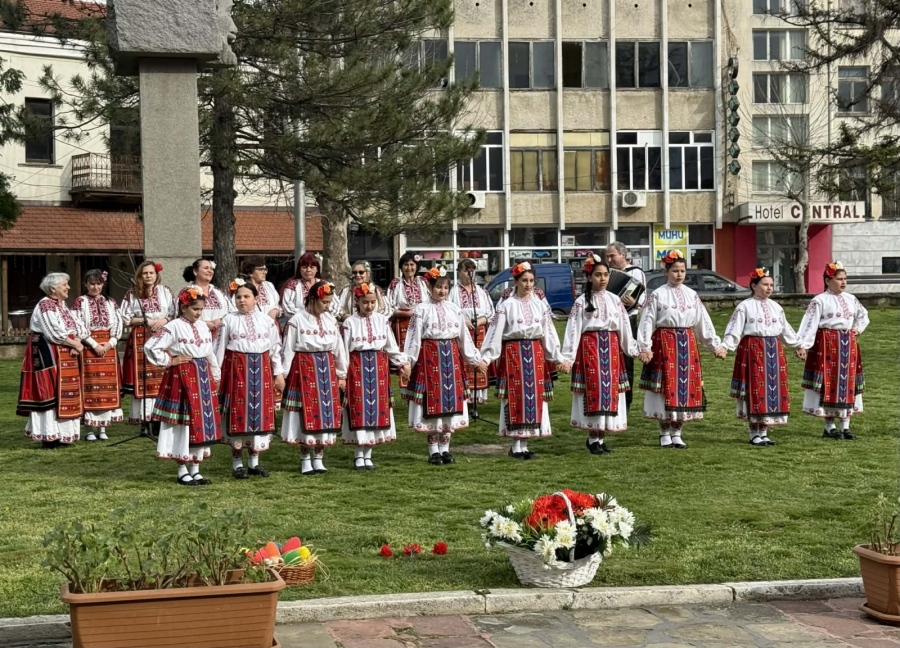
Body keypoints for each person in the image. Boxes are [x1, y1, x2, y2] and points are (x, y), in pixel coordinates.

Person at [638, 250, 726, 449]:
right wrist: (644, 346)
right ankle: (664, 431)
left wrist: (714, 345)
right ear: (666, 271)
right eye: (675, 270)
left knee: (684, 387)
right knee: (665, 387)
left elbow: (702, 321)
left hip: (687, 343)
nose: (679, 274)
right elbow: (647, 321)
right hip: (665, 342)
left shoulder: (692, 295)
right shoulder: (658, 295)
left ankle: (677, 431)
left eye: (682, 271)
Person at [480, 261, 564, 460]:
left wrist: (558, 357)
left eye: (531, 281)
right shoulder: (507, 306)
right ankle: (515, 444)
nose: (528, 285)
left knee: (533, 397)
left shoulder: (539, 306)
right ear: (515, 281)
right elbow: (495, 333)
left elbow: (549, 333)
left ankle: (524, 444)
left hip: (535, 353)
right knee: (515, 395)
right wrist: (486, 357)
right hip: (514, 352)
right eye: (524, 280)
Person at [403, 267, 487, 465]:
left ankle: (446, 448)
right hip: (430, 359)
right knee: (432, 404)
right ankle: (433, 449)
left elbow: (463, 338)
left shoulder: (454, 309)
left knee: (450, 404)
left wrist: (475, 359)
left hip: (451, 360)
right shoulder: (421, 310)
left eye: (445, 287)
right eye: (438, 287)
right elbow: (413, 339)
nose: (442, 291)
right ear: (430, 287)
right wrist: (408, 362)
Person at [561, 255, 640, 454]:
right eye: (598, 275)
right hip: (590, 350)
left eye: (605, 275)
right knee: (594, 390)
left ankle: (601, 438)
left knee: (609, 391)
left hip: (611, 351)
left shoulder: (615, 300)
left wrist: (634, 350)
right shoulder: (581, 302)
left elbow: (624, 329)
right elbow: (573, 330)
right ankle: (592, 437)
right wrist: (568, 358)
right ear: (589, 278)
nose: (603, 279)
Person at [145, 287, 222, 486]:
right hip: (183, 376)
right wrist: (171, 360)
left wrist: (215, 374)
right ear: (183, 306)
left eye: (201, 309)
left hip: (202, 377)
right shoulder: (174, 326)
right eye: (195, 309)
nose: (198, 313)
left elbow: (209, 352)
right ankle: (181, 468)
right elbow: (151, 346)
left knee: (200, 422)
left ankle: (196, 468)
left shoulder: (203, 327)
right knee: (183, 422)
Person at [721, 268, 803, 446]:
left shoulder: (776, 307)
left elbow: (785, 329)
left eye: (771, 285)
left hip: (773, 350)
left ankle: (764, 431)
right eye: (765, 284)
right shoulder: (745, 306)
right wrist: (726, 346)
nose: (769, 288)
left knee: (771, 389)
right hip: (753, 349)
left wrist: (798, 345)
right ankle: (753, 432)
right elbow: (734, 328)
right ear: (754, 286)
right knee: (755, 388)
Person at [216, 278, 285, 479]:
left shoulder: (267, 321)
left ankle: (254, 462)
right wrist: (217, 375)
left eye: (246, 296)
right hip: (237, 369)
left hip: (261, 370)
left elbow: (275, 349)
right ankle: (237, 463)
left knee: (259, 415)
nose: (242, 300)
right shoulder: (228, 320)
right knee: (238, 414)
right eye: (238, 297)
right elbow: (219, 349)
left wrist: (278, 372)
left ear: (256, 299)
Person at [17, 272, 93, 448]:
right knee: (49, 391)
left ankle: (62, 435)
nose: (68, 287)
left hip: (63, 351)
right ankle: (48, 436)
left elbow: (74, 326)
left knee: (63, 392)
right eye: (64, 284)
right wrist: (76, 344)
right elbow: (53, 333)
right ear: (53, 288)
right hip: (45, 351)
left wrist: (79, 342)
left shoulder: (62, 305)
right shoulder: (45, 305)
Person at [341, 282, 411, 470]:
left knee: (376, 408)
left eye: (372, 303)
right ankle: (358, 454)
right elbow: (344, 351)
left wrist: (402, 363)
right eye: (365, 303)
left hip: (378, 366)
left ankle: (369, 453)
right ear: (357, 302)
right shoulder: (349, 323)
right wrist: (342, 373)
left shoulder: (382, 321)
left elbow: (391, 347)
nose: (369, 306)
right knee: (359, 408)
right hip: (358, 367)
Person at [281, 280, 348, 475]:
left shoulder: (330, 320)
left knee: (325, 412)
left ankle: (319, 457)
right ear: (312, 299)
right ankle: (305, 458)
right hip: (304, 369)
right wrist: (283, 375)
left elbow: (338, 349)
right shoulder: (297, 320)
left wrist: (341, 373)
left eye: (328, 302)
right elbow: (288, 350)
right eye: (324, 302)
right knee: (305, 412)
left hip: (326, 369)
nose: (327, 306)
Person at [796, 261, 869, 439]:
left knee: (848, 383)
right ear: (828, 280)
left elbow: (864, 315)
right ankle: (829, 426)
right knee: (829, 383)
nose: (843, 282)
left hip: (848, 345)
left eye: (845, 279)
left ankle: (846, 425)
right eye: (839, 279)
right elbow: (809, 324)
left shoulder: (851, 299)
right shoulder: (819, 300)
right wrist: (803, 345)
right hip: (827, 345)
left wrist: (857, 329)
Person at [120, 261, 176, 427]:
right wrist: (147, 321)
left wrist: (164, 319)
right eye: (145, 273)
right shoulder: (133, 293)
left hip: (162, 335)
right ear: (140, 275)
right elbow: (124, 317)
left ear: (156, 274)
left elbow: (174, 312)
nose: (149, 276)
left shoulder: (165, 291)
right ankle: (144, 418)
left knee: (161, 375)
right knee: (143, 378)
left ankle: (159, 417)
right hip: (140, 336)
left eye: (151, 273)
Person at [71, 269, 124, 440]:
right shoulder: (80, 302)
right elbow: (77, 324)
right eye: (92, 283)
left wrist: (110, 343)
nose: (95, 287)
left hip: (108, 347)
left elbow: (118, 323)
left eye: (98, 283)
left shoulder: (111, 302)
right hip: (89, 348)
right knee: (91, 387)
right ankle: (89, 429)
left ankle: (103, 428)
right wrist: (94, 344)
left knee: (106, 387)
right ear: (85, 284)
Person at [606, 241, 647, 413]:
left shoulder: (636, 273)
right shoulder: (606, 273)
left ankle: (627, 402)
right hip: (610, 322)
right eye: (607, 256)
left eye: (612, 256)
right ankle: (610, 397)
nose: (609, 260)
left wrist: (635, 302)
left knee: (627, 360)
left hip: (629, 320)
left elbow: (644, 297)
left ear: (623, 255)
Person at [449, 258, 495, 405]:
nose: (469, 274)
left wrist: (481, 321)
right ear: (459, 272)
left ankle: (478, 396)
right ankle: (466, 396)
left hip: (480, 331)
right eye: (466, 270)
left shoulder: (482, 291)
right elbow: (450, 311)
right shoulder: (453, 292)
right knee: (464, 361)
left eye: (472, 270)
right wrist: (463, 321)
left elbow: (491, 312)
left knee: (479, 359)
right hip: (462, 331)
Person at [387, 252, 430, 387]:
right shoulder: (395, 284)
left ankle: (423, 386)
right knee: (406, 355)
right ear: (401, 267)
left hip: (422, 324)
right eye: (406, 264)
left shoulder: (423, 282)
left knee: (421, 354)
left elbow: (430, 302)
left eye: (412, 264)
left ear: (416, 267)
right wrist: (408, 313)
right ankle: (407, 390)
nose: (409, 268)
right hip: (403, 325)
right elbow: (389, 307)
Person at [182, 258, 234, 337]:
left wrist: (220, 320)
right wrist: (203, 324)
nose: (210, 271)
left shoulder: (218, 292)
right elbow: (181, 316)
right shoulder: (187, 292)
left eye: (211, 269)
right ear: (195, 272)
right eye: (206, 268)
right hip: (195, 336)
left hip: (219, 337)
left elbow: (230, 312)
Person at [237, 256, 281, 320]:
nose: (265, 272)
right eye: (261, 269)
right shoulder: (242, 288)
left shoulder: (269, 285)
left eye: (265, 269)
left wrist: (275, 310)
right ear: (250, 273)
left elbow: (278, 304)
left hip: (271, 324)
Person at [280, 252, 322, 319]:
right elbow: (287, 308)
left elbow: (334, 306)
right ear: (299, 269)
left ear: (317, 269)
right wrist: (308, 315)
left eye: (312, 267)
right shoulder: (292, 284)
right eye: (304, 267)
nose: (308, 270)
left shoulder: (324, 284)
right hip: (299, 322)